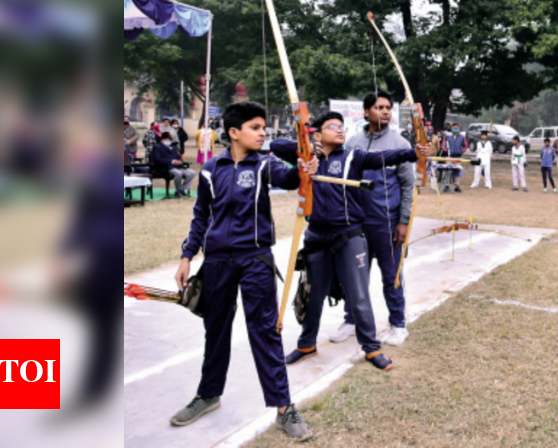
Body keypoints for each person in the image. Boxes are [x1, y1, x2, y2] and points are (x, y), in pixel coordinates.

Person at [172, 101, 317, 440]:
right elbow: (200, 217)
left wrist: (304, 164)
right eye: (255, 127)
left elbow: (291, 176)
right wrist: (186, 256)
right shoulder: (211, 170)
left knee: (265, 332)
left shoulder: (265, 164)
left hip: (255, 260)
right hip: (217, 262)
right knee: (216, 329)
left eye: (263, 127)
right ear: (233, 133)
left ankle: (284, 408)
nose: (262, 132)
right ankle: (208, 394)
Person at [270, 110, 428, 370]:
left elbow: (386, 157)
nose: (341, 130)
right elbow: (276, 145)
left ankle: (371, 348)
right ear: (318, 134)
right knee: (313, 295)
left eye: (342, 126)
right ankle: (306, 343)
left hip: (349, 235)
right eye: (333, 126)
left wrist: (416, 152)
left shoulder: (354, 156)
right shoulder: (307, 156)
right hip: (317, 236)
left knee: (359, 295)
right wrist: (310, 149)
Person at [343, 91, 417, 348]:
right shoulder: (352, 143)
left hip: (388, 224)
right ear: (366, 112)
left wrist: (404, 221)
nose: (385, 112)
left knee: (391, 276)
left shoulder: (401, 144)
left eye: (388, 108)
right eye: (379, 107)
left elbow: (409, 186)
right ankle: (351, 319)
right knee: (354, 275)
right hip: (357, 224)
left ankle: (397, 324)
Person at [151, 132, 196, 198]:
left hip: (178, 166)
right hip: (166, 167)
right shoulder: (157, 148)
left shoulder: (173, 147)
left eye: (169, 140)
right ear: (162, 139)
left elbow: (178, 157)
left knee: (192, 173)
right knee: (178, 173)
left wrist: (180, 161)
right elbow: (158, 160)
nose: (168, 141)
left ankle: (183, 189)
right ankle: (178, 190)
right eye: (166, 140)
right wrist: (172, 161)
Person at [440, 123, 467, 192]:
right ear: (451, 128)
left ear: (459, 129)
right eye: (454, 127)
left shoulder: (462, 137)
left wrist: (461, 151)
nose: (455, 129)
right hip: (449, 157)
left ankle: (457, 186)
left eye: (456, 128)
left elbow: (466, 146)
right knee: (447, 171)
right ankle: (446, 185)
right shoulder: (448, 137)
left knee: (458, 171)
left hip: (458, 157)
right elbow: (443, 145)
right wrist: (447, 151)